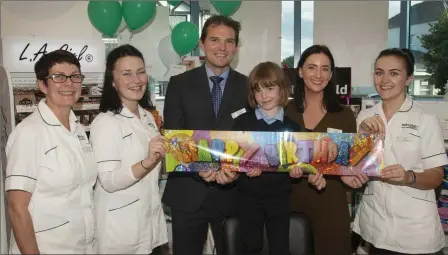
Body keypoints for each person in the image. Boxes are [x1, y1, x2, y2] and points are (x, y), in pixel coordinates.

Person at [162, 15, 248, 255]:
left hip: (233, 194)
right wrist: (200, 166)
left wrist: (231, 172)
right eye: (215, 40)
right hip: (188, 193)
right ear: (202, 43)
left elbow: (253, 142)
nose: (222, 48)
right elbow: (174, 138)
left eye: (229, 41)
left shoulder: (249, 87)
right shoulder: (179, 84)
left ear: (236, 47)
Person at [351, 48, 448, 255]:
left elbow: (436, 177)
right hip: (375, 224)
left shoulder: (425, 118)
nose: (384, 80)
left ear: (409, 79)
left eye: (394, 73)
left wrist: (408, 177)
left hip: (414, 231)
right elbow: (358, 167)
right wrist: (362, 135)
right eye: (379, 72)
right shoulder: (365, 117)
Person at [5, 50, 97, 254]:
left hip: (83, 246)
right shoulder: (29, 133)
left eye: (75, 76)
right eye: (58, 77)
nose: (69, 84)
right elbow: (17, 208)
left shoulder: (78, 128)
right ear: (42, 85)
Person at [285, 44, 366, 255]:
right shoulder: (285, 111)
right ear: (301, 71)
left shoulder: (345, 115)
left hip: (330, 207)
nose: (318, 74)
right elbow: (275, 159)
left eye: (325, 68)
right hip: (290, 204)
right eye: (311, 67)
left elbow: (349, 165)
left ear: (331, 75)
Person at [89, 44, 168, 254]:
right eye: (127, 74)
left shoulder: (148, 117)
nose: (137, 80)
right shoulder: (106, 122)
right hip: (120, 230)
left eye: (141, 72)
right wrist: (147, 162)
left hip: (148, 223)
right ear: (113, 81)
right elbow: (108, 181)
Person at [232, 62, 303, 255]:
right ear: (252, 94)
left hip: (280, 198)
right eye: (258, 90)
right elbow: (232, 161)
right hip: (248, 197)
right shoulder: (241, 123)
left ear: (282, 89)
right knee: (250, 246)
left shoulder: (294, 127)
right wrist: (243, 170)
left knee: (280, 247)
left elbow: (295, 163)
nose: (264, 96)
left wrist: (297, 171)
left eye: (270, 88)